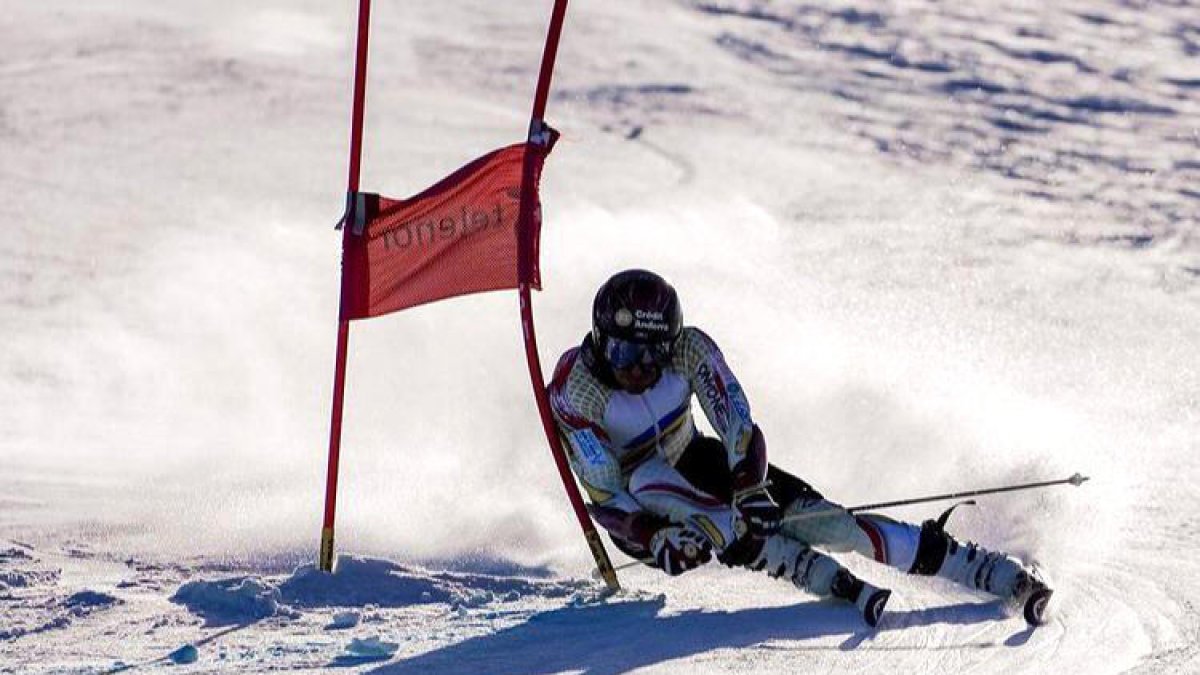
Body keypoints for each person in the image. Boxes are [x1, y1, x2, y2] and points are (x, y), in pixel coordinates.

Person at [548, 269, 1052, 627]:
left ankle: (988, 571)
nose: (634, 370)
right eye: (622, 352)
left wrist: (749, 486)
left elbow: (739, 429)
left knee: (830, 522)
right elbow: (609, 498)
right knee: (687, 502)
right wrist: (653, 536)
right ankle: (794, 563)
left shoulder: (690, 349)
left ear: (670, 343)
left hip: (691, 456)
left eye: (649, 356)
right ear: (599, 339)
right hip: (637, 508)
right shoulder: (579, 390)